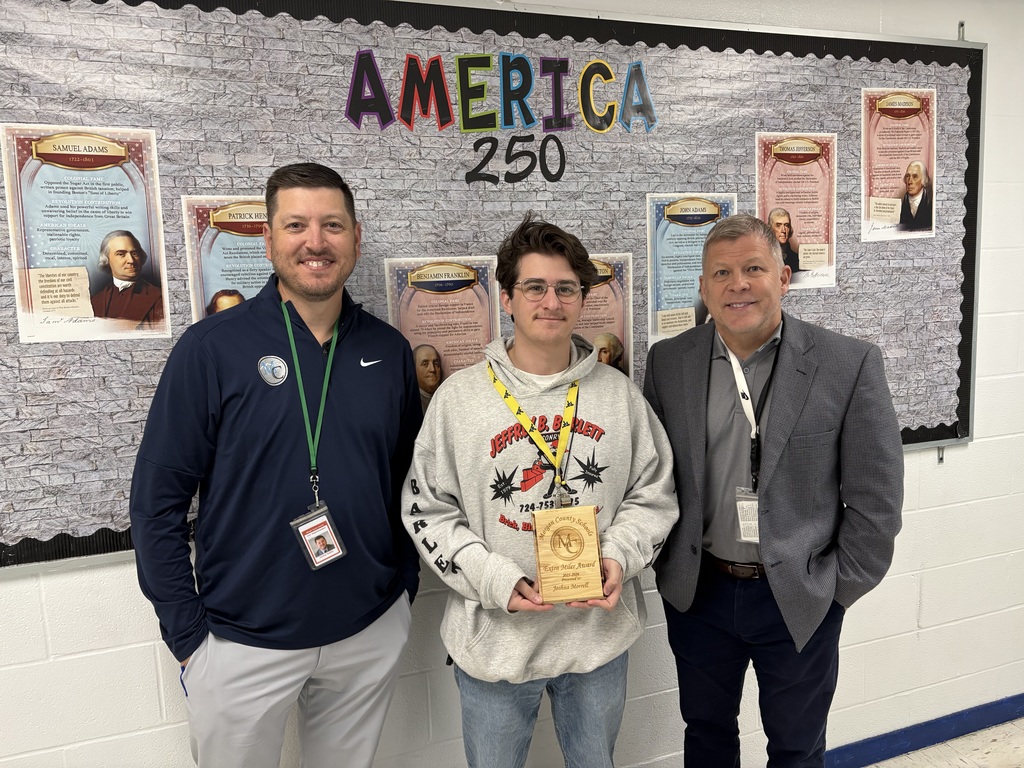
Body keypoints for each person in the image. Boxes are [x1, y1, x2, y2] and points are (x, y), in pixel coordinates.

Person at [130, 162, 422, 768]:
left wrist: (402, 592)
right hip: (240, 642)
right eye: (296, 225)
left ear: (356, 237)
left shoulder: (387, 350)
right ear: (268, 239)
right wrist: (188, 639)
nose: (315, 242)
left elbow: (409, 483)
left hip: (367, 629)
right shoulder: (211, 349)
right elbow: (156, 502)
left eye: (332, 225)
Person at [403, 213, 678, 768]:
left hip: (597, 640)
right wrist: (492, 578)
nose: (550, 301)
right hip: (495, 642)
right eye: (534, 287)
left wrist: (620, 556)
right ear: (506, 298)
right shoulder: (458, 400)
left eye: (565, 288)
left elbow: (654, 493)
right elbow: (425, 511)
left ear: (581, 299)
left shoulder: (619, 396)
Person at [644, 214, 903, 768]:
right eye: (722, 273)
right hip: (700, 594)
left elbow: (876, 499)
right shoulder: (669, 363)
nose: (737, 284)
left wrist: (835, 590)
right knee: (706, 735)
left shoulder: (847, 363)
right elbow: (654, 481)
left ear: (783, 278)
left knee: (796, 746)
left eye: (753, 269)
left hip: (798, 595)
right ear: (704, 287)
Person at [91, 229, 165, 326]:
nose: (131, 260)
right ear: (107, 259)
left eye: (134, 253)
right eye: (121, 254)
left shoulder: (158, 297)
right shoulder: (95, 301)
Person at [899, 160, 933, 231]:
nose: (910, 181)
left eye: (915, 176)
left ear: (923, 180)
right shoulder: (900, 204)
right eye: (908, 176)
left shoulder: (931, 203)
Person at [767, 207, 801, 274]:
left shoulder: (795, 258)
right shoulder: (764, 255)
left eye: (786, 225)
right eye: (778, 225)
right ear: (770, 228)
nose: (783, 230)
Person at [413, 343, 443, 412]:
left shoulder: (446, 397)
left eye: (436, 363)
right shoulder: (410, 402)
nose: (432, 369)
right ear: (414, 368)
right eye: (425, 364)